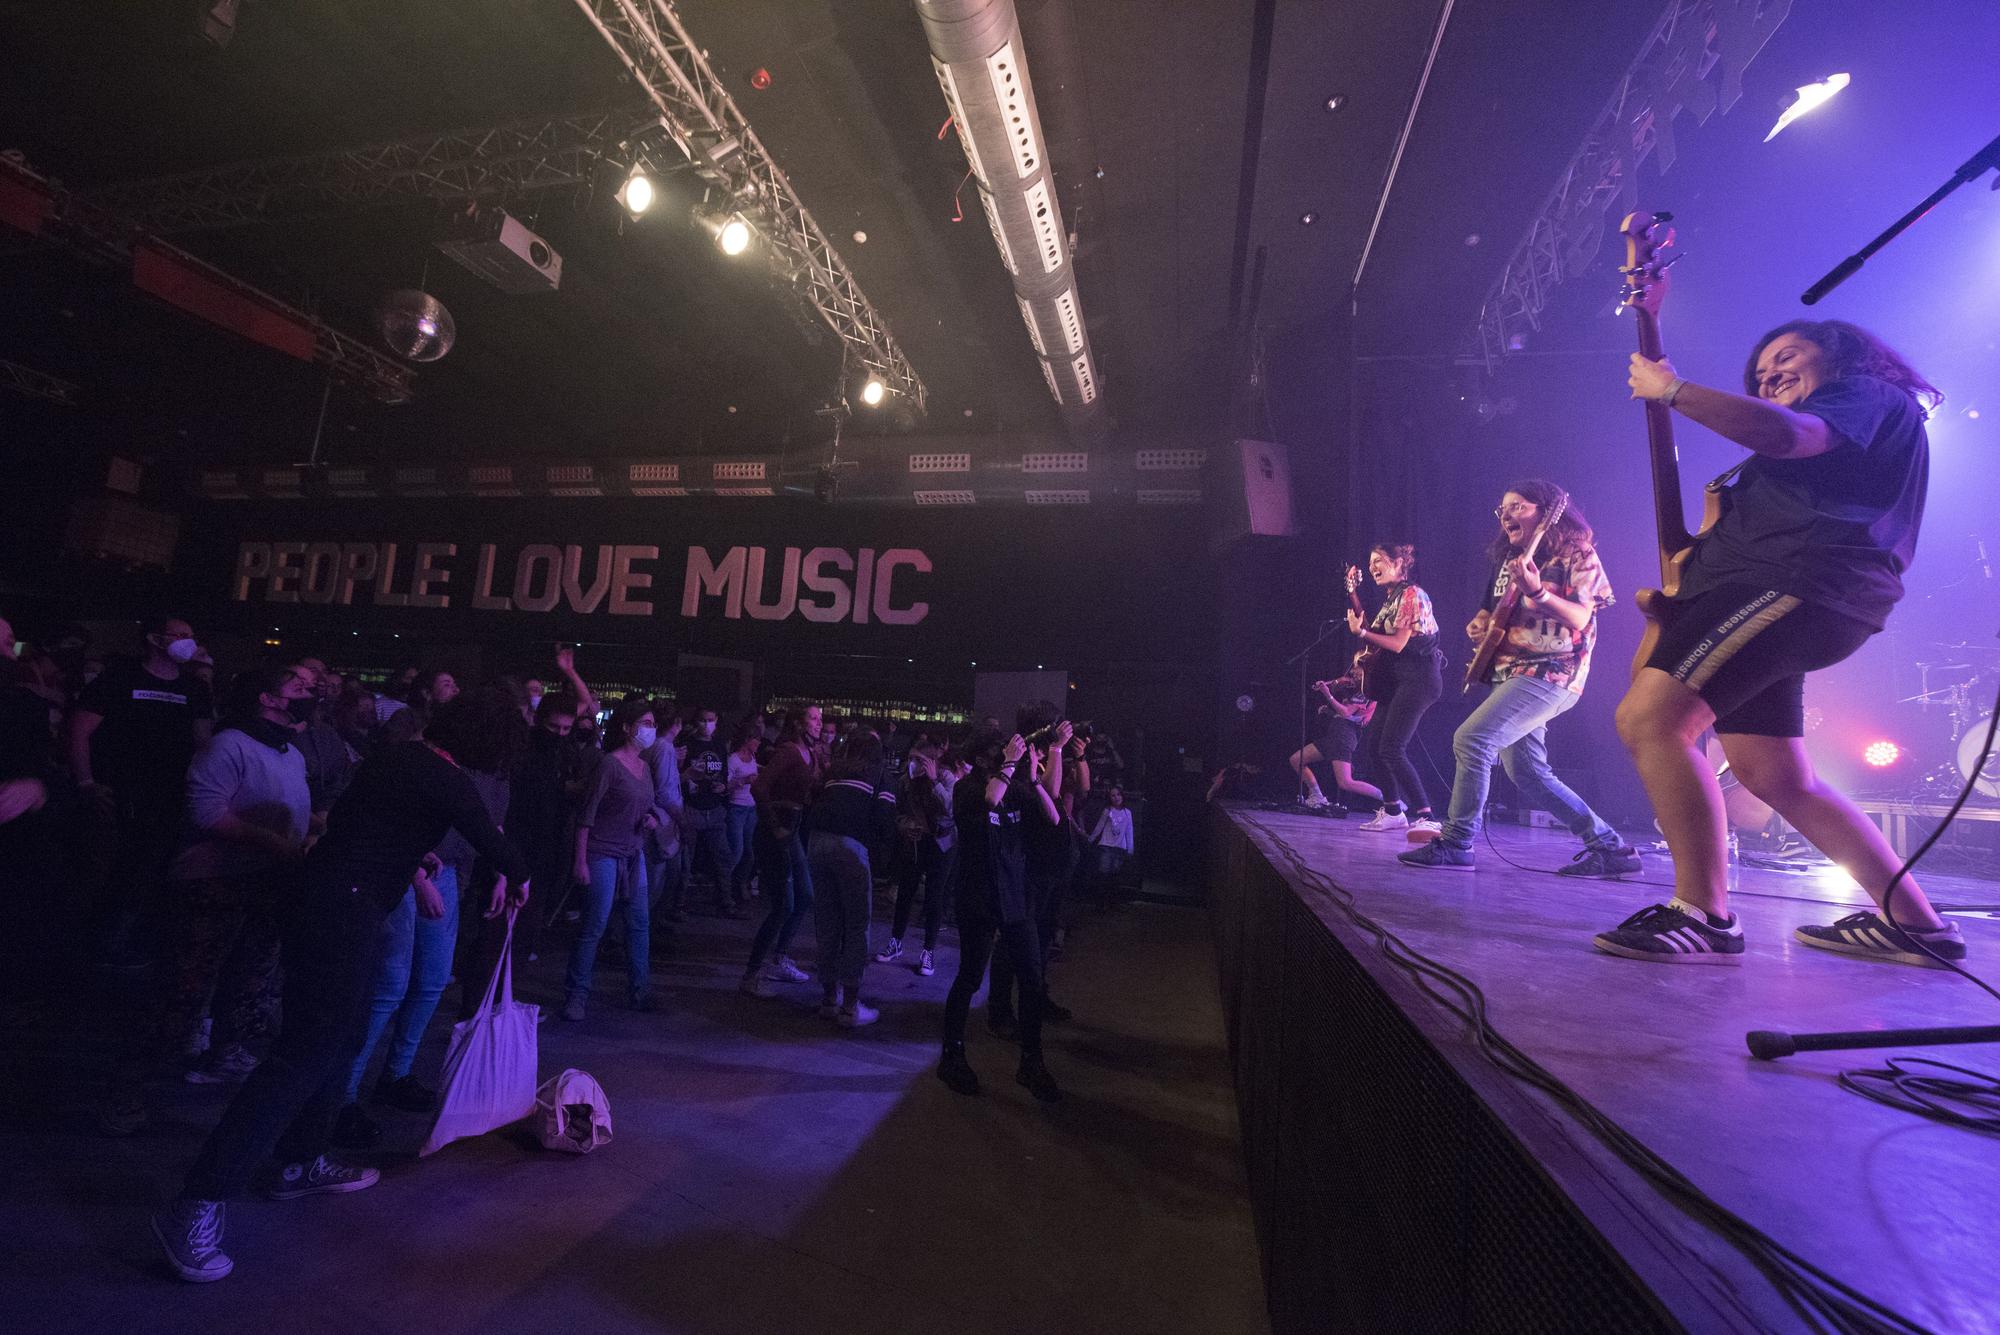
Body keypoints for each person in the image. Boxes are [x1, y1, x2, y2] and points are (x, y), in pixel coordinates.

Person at [1594, 319, 1964, 966]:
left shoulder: (1864, 393)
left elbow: (1790, 432)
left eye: (1787, 356)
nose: (1769, 374)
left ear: (1839, 356)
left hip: (1797, 582)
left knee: (1650, 718)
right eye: (1760, 373)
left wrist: (1673, 389)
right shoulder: (1792, 463)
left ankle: (1705, 912)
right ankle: (1916, 923)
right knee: (1774, 773)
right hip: (1777, 592)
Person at [151, 692, 532, 1283]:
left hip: (324, 900)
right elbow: (498, 845)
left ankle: (298, 1161)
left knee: (344, 1036)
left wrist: (416, 854)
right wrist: (519, 875)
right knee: (301, 1056)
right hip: (341, 914)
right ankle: (195, 1202)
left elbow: (366, 824)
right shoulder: (446, 777)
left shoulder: (397, 756)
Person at [1400, 482, 1642, 876]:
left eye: (1518, 506)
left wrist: (1539, 594)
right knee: (1527, 772)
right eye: (1503, 509)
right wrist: (1480, 625)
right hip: (1509, 672)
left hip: (1552, 670)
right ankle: (1610, 848)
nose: (1506, 514)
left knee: (1472, 739)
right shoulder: (1509, 559)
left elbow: (1582, 618)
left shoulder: (1577, 554)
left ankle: (1459, 842)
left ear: (1546, 512)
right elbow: (1488, 611)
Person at [335, 685, 524, 1145]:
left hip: (442, 871)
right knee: (389, 986)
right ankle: (341, 1099)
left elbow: (491, 828)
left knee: (432, 981)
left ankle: (394, 1075)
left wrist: (502, 872)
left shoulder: (479, 770)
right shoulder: (415, 762)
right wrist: (421, 878)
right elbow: (375, 829)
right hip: (397, 876)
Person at [157, 666, 316, 1092]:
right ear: (267, 698)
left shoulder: (291, 753)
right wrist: (271, 841)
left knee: (251, 976)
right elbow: (206, 812)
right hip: (217, 879)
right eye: (297, 686)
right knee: (190, 980)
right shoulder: (229, 745)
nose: (309, 692)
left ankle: (224, 1053)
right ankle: (147, 1077)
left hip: (267, 882)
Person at [72, 614, 214, 968]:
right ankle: (90, 956)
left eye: (190, 634)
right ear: (154, 639)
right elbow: (78, 732)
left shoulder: (193, 689)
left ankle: (125, 953)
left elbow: (203, 743)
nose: (188, 641)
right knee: (109, 875)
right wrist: (85, 782)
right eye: (179, 634)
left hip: (168, 797)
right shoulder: (119, 678)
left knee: (152, 874)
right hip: (117, 793)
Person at [937, 727, 1062, 1103]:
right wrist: (1009, 764)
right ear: (980, 759)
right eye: (998, 752)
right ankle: (952, 1054)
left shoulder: (1014, 785)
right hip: (978, 895)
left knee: (1032, 980)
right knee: (971, 977)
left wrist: (1036, 773)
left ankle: (1031, 1060)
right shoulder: (969, 788)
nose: (1007, 754)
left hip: (1015, 897)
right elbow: (991, 800)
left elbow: (1054, 815)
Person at [562, 699, 658, 1020]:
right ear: (627, 728)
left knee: (639, 924)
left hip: (632, 854)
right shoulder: (609, 765)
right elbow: (586, 815)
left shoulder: (645, 768)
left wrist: (651, 819)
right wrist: (580, 860)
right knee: (595, 924)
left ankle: (640, 990)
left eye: (652, 723)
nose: (651, 729)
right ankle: (576, 995)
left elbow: (646, 806)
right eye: (645, 723)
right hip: (602, 852)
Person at [990, 705, 1079, 1028]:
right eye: (1053, 726)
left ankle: (1037, 999)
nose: (1059, 730)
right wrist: (1055, 748)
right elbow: (1051, 794)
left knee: (1041, 938)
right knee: (1015, 941)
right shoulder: (1021, 760)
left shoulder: (1041, 757)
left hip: (1051, 866)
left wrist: (1057, 752)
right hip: (1030, 866)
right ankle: (999, 1010)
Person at [1345, 545, 1443, 836]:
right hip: (1397, 682)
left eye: (1379, 561)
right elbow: (1375, 642)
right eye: (1370, 562)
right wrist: (1352, 593)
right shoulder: (1392, 600)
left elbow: (1399, 643)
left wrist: (1361, 632)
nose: (1373, 566)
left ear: (1399, 563)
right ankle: (1392, 811)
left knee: (1392, 747)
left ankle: (1426, 815)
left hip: (1419, 679)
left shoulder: (1412, 594)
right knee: (1374, 746)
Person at [807, 731, 898, 1027]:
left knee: (828, 923)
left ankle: (828, 1000)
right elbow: (885, 818)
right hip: (850, 847)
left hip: (817, 843)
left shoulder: (835, 773)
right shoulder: (880, 775)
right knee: (857, 925)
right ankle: (850, 1008)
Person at [741, 709, 818, 997]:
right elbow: (759, 787)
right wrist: (773, 826)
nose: (819, 723)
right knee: (783, 905)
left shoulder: (808, 752)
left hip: (793, 831)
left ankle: (780, 957)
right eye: (813, 718)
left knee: (805, 895)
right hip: (778, 833)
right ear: (799, 723)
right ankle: (751, 974)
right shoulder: (789, 751)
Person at [876, 740, 956, 976]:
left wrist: (933, 783)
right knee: (905, 893)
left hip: (942, 844)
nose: (912, 764)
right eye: (911, 758)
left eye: (919, 760)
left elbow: (952, 809)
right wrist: (905, 825)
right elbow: (897, 812)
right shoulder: (905, 781)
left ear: (931, 761)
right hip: (915, 843)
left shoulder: (946, 778)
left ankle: (928, 952)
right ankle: (896, 942)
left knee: (934, 898)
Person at [1289, 670, 1380, 812]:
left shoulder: (1364, 694)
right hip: (1335, 735)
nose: (1353, 674)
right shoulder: (1354, 691)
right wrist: (1329, 711)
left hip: (1343, 737)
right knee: (1297, 760)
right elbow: (1346, 717)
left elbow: (1346, 713)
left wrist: (1327, 694)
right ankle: (1316, 796)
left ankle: (1390, 799)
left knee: (1346, 782)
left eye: (1358, 672)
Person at [680, 707, 739, 917]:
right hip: (693, 807)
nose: (707, 724)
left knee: (724, 857)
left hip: (714, 807)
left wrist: (723, 786)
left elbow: (722, 772)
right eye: (703, 720)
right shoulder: (687, 745)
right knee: (685, 860)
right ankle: (678, 905)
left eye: (710, 720)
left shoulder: (719, 745)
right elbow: (679, 774)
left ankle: (726, 901)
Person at [723, 721, 761, 905]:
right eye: (756, 740)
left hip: (750, 809)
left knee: (749, 853)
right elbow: (725, 785)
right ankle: (724, 888)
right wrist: (743, 780)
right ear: (748, 739)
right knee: (736, 851)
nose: (759, 743)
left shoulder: (753, 757)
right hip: (736, 808)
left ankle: (740, 884)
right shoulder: (733, 759)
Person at [1085, 785, 1135, 904]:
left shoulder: (1127, 813)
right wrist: (1090, 839)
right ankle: (1101, 902)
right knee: (1103, 873)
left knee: (1114, 875)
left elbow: (1129, 830)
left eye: (1118, 794)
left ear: (1122, 796)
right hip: (1106, 846)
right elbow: (1099, 827)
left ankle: (1111, 902)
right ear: (1110, 798)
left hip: (1119, 848)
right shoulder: (1108, 811)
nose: (1116, 797)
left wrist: (1130, 848)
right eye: (1113, 795)